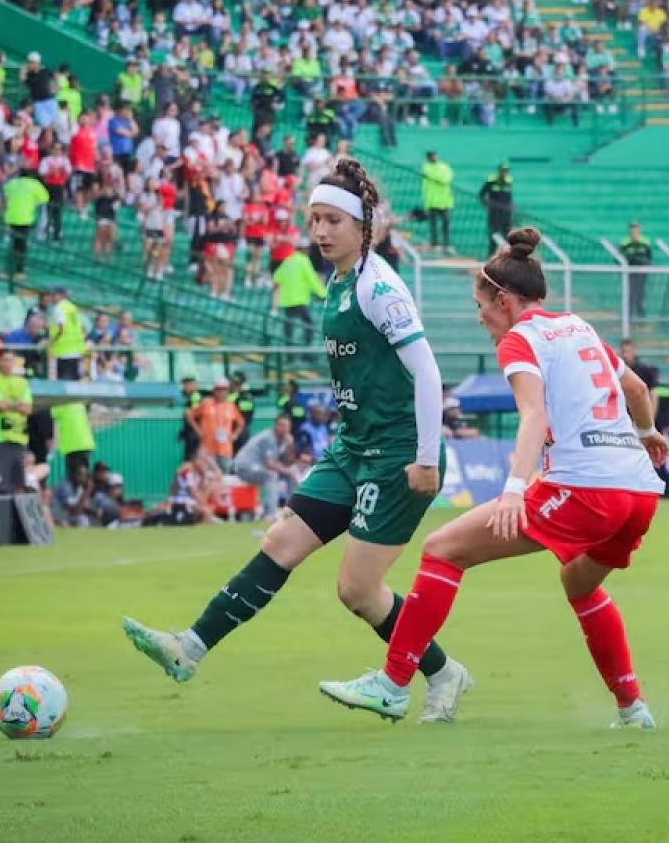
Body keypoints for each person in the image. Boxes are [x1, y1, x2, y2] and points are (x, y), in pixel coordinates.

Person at [122, 159, 472, 723]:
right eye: (314, 219)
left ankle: (434, 673)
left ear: (364, 227)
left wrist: (427, 459)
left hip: (398, 454)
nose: (321, 231)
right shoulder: (335, 282)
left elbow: (428, 372)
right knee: (279, 544)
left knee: (357, 591)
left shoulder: (379, 286)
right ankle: (187, 649)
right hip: (352, 447)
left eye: (334, 220)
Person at [318, 226, 669, 726]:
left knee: (443, 549)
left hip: (586, 489)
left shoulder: (519, 339)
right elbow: (634, 386)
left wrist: (512, 491)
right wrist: (649, 431)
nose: (478, 315)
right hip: (637, 493)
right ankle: (633, 709)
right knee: (580, 585)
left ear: (503, 300)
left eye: (480, 303)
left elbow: (534, 417)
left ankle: (393, 684)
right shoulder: (577, 325)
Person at [233, 414, 301, 521]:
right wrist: (288, 471)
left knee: (290, 476)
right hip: (245, 467)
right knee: (270, 476)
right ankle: (270, 514)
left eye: (287, 426)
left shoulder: (284, 440)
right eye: (281, 425)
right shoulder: (268, 438)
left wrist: (290, 445)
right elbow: (269, 464)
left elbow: (287, 462)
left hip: (260, 467)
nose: (284, 429)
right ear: (276, 426)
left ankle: (292, 511)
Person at [0, 350, 33, 494]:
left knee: (19, 483)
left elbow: (28, 409)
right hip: (0, 438)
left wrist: (9, 404)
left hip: (19, 437)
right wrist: (17, 404)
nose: (8, 364)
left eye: (11, 360)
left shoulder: (22, 382)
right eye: (5, 360)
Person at [186, 378, 244, 472]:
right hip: (208, 448)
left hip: (225, 449)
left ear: (228, 391)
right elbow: (189, 414)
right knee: (207, 478)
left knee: (225, 477)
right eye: (219, 389)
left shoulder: (231, 406)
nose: (221, 392)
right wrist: (198, 431)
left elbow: (241, 423)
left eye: (224, 389)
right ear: (214, 390)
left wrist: (235, 435)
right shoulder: (206, 403)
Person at [2, 169, 49, 277]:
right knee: (22, 245)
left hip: (11, 217)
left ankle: (9, 269)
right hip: (25, 218)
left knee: (14, 244)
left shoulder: (12, 183)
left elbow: (5, 194)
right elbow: (45, 199)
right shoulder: (34, 184)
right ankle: (19, 270)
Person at [48, 287, 86, 380]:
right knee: (74, 380)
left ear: (60, 296)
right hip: (76, 349)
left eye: (53, 295)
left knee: (64, 380)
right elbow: (82, 328)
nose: (51, 297)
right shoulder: (72, 307)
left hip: (63, 350)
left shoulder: (59, 308)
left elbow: (61, 328)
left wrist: (51, 341)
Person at [479, 162, 514, 256]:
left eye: (506, 171)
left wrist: (511, 206)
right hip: (494, 213)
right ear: (499, 171)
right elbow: (481, 194)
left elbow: (509, 196)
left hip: (506, 213)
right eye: (502, 171)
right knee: (493, 235)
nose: (504, 173)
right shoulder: (491, 180)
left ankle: (507, 258)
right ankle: (490, 256)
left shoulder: (509, 180)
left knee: (507, 235)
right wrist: (486, 205)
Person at [421, 150, 454, 251]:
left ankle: (446, 243)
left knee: (446, 224)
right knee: (433, 225)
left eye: (434, 156)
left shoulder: (444, 166)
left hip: (445, 201)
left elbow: (447, 178)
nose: (433, 158)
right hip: (432, 201)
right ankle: (434, 243)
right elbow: (438, 177)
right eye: (431, 156)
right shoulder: (426, 167)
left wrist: (439, 178)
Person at [618, 221, 652, 319]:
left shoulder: (645, 241)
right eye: (633, 228)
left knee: (640, 294)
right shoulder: (624, 242)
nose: (634, 230)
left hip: (641, 271)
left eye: (636, 228)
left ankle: (641, 316)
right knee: (630, 294)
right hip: (629, 271)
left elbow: (649, 257)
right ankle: (628, 317)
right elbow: (619, 256)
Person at [177, 375, 203, 460]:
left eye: (187, 384)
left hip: (195, 433)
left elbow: (193, 416)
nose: (185, 387)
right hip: (192, 432)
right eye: (184, 384)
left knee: (192, 458)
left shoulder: (195, 397)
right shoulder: (191, 398)